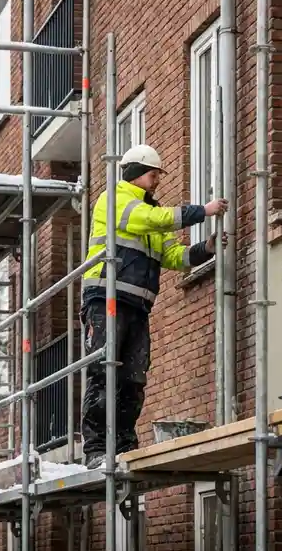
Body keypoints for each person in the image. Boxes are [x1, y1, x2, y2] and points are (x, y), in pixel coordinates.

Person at [79, 143, 228, 469]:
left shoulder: (150, 211)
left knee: (133, 378)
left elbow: (172, 257)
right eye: (152, 173)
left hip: (137, 304)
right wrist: (202, 211)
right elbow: (151, 220)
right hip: (107, 297)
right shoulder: (115, 199)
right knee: (104, 373)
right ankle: (95, 449)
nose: (157, 179)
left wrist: (205, 248)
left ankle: (123, 445)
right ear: (135, 172)